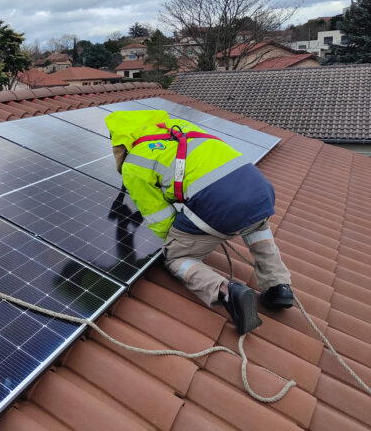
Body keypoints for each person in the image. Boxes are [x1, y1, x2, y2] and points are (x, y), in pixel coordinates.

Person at [105, 109, 293, 335]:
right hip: (258, 190)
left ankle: (227, 292)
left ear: (120, 143)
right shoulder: (180, 127)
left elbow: (160, 218)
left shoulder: (134, 164)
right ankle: (278, 286)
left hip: (219, 205)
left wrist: (178, 241)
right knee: (258, 226)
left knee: (176, 257)